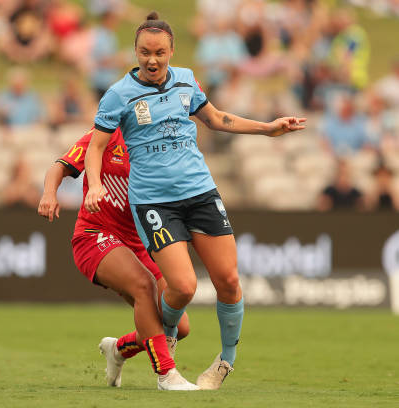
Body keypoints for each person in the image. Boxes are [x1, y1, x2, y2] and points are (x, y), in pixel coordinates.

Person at [84, 11, 306, 390]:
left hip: (200, 192)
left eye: (159, 52)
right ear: (135, 52)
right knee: (183, 287)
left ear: (172, 50)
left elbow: (217, 118)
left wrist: (267, 129)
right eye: (144, 52)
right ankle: (164, 350)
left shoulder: (186, 80)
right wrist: (93, 185)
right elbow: (96, 147)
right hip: (154, 202)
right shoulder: (119, 93)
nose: (152, 60)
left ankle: (223, 362)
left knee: (229, 280)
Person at [38, 127, 193, 390]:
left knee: (179, 326)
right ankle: (167, 375)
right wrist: (49, 193)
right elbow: (60, 166)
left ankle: (118, 349)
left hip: (139, 243)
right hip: (94, 235)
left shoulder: (160, 142)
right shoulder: (104, 135)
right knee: (144, 285)